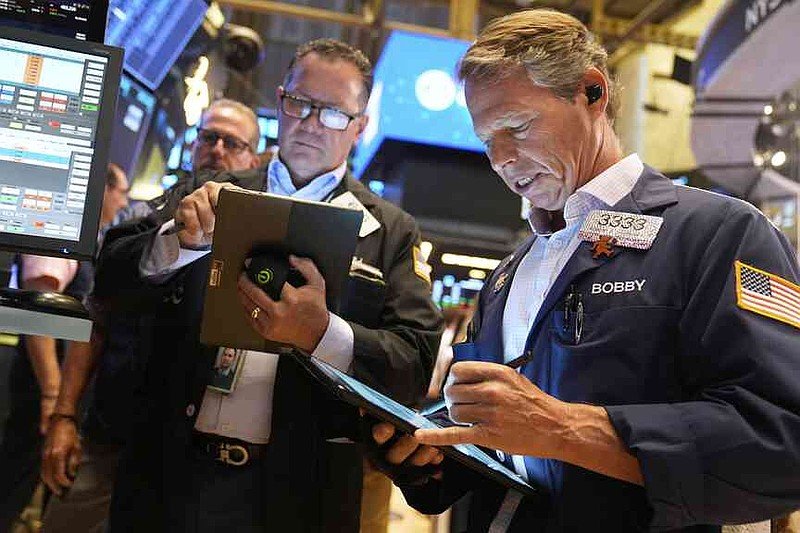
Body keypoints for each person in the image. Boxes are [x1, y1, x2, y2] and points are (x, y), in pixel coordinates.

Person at [369, 9, 800, 532]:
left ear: (591, 93)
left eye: (518, 127)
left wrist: (563, 428)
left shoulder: (719, 232)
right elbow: (504, 448)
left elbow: (782, 442)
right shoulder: (510, 272)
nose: (501, 158)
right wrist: (430, 452)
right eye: (487, 140)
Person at [92, 39, 442, 532]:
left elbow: (413, 361)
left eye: (334, 113)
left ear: (360, 127)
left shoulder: (389, 230)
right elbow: (109, 277)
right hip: (168, 475)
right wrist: (178, 244)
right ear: (281, 100)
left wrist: (323, 334)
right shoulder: (209, 189)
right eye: (300, 103)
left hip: (299, 493)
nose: (311, 123)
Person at [40, 98, 261, 533]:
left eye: (232, 143)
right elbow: (96, 320)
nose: (217, 149)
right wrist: (63, 414)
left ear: (253, 158)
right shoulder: (143, 216)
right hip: (111, 431)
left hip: (190, 456)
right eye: (209, 137)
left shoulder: (258, 242)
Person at [0, 164, 129, 531]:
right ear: (102, 190)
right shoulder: (61, 232)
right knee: (13, 482)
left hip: (53, 392)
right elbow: (38, 313)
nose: (123, 201)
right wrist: (54, 397)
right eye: (121, 192)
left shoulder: (92, 240)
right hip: (42, 389)